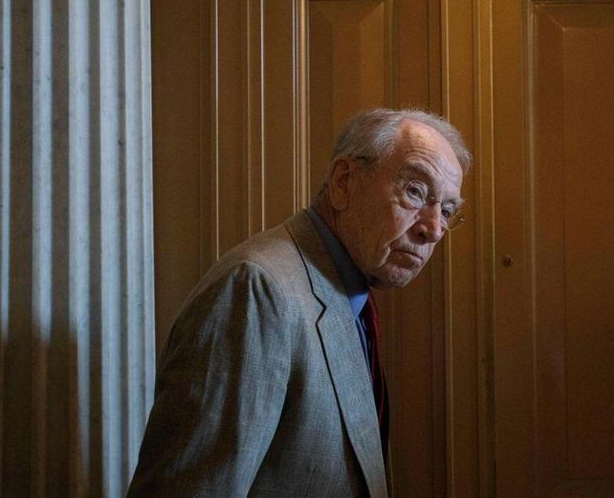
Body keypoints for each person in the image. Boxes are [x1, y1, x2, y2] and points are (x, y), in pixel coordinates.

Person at [127, 108, 470, 497]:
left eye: (447, 210)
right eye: (415, 191)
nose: (434, 229)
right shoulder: (256, 290)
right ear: (343, 182)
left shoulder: (348, 289)